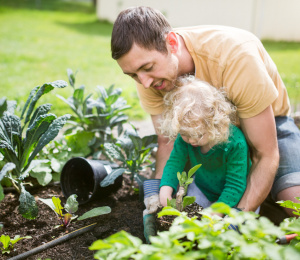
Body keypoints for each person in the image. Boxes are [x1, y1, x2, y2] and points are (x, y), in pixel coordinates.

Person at [111, 6, 300, 219]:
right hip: (204, 141)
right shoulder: (150, 77)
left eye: (147, 68)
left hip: (268, 126)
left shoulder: (235, 58)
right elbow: (167, 142)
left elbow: (265, 153)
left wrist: (234, 218)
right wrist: (157, 191)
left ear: (171, 43)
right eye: (133, 75)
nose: (143, 83)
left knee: (294, 202)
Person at [158, 76, 251, 212]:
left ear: (215, 122)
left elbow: (235, 184)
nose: (192, 141)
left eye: (199, 135)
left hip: (235, 193)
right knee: (193, 216)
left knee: (235, 223)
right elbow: (174, 163)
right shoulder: (185, 134)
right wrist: (165, 189)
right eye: (185, 135)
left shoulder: (234, 143)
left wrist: (217, 213)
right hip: (203, 188)